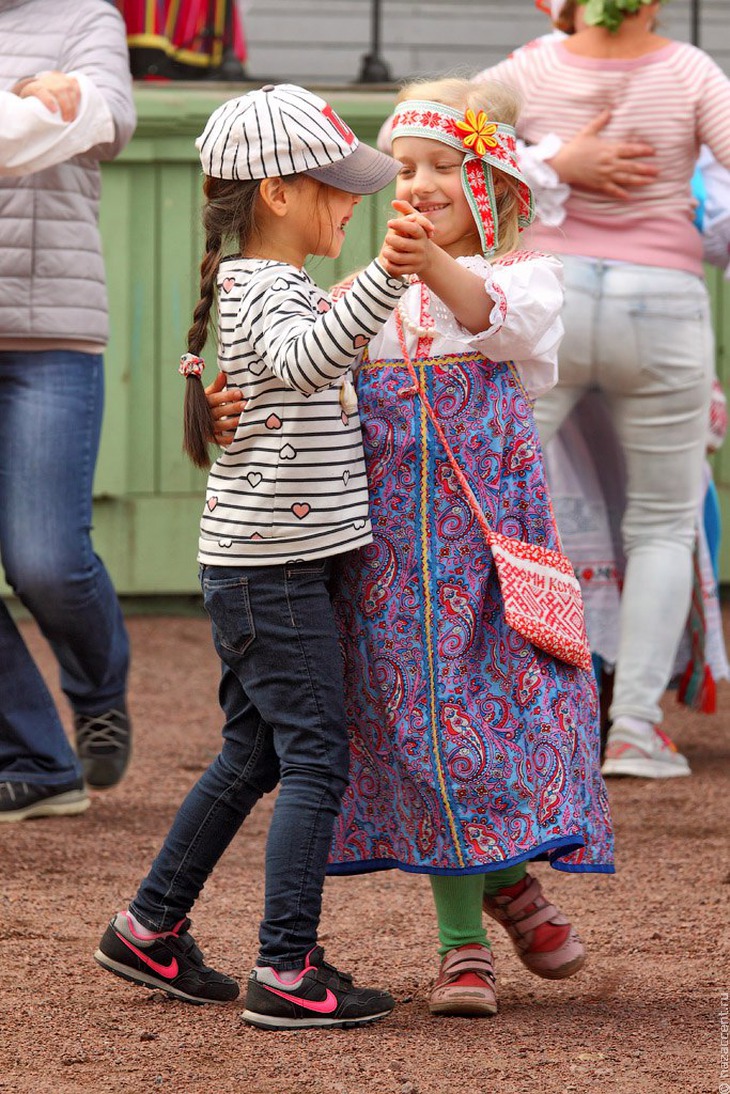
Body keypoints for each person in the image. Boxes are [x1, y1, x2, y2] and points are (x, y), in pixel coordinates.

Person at [210, 76, 614, 1019]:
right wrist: (227, 405)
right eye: (404, 169)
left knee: (500, 718)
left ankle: (508, 876)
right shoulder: (361, 293)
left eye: (441, 165)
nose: (417, 183)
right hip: (390, 560)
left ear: (490, 186)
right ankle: (465, 944)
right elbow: (298, 367)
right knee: (425, 727)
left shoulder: (521, 280)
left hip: (489, 553)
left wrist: (426, 265)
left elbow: (487, 313)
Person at [94, 83, 424, 1031]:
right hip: (271, 571)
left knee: (255, 752)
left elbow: (300, 369)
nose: (354, 201)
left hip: (267, 564)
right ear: (277, 193)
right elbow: (309, 359)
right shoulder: (265, 289)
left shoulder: (262, 285)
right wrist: (387, 273)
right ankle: (285, 968)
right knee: (316, 754)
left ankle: (149, 927)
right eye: (337, 186)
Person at [474, 0, 730, 778]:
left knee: (493, 504)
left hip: (547, 295)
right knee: (661, 524)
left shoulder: (529, 69)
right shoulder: (690, 70)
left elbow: (411, 125)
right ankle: (634, 731)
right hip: (662, 302)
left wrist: (543, 154)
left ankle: (492, 710)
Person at [0, 0, 137, 823]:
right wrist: (29, 99)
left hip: (51, 330)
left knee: (46, 560)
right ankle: (35, 759)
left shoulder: (88, 16)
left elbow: (106, 117)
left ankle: (98, 692)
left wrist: (68, 105)